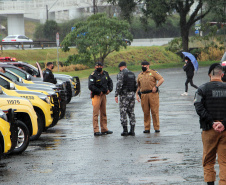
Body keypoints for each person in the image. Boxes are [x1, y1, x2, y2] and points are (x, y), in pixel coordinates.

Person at [194, 63, 226, 185]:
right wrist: (223, 124)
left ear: (209, 75)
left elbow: (198, 106)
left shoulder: (202, 89)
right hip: (225, 130)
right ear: (222, 74)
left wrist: (212, 122)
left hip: (208, 129)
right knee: (224, 161)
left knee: (208, 160)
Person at [136, 61, 164, 133]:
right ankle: (147, 128)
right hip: (144, 95)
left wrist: (156, 86)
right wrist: (136, 94)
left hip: (152, 94)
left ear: (148, 66)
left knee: (154, 111)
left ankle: (156, 127)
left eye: (144, 65)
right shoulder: (140, 75)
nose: (143, 66)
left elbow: (161, 79)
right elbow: (138, 86)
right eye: (142, 65)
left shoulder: (153, 72)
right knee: (146, 112)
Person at [88, 62, 113, 136]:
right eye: (98, 66)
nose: (99, 67)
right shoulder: (93, 75)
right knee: (96, 113)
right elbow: (90, 86)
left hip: (104, 96)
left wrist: (109, 89)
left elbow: (110, 82)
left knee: (104, 112)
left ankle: (104, 129)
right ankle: (96, 130)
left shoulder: (105, 73)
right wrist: (99, 92)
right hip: (96, 96)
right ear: (95, 67)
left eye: (100, 66)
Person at [115, 61, 137, 136]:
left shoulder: (121, 74)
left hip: (124, 95)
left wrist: (116, 94)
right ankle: (132, 130)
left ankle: (125, 130)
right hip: (132, 95)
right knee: (131, 112)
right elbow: (136, 84)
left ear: (120, 67)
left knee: (123, 112)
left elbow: (119, 85)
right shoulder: (132, 74)